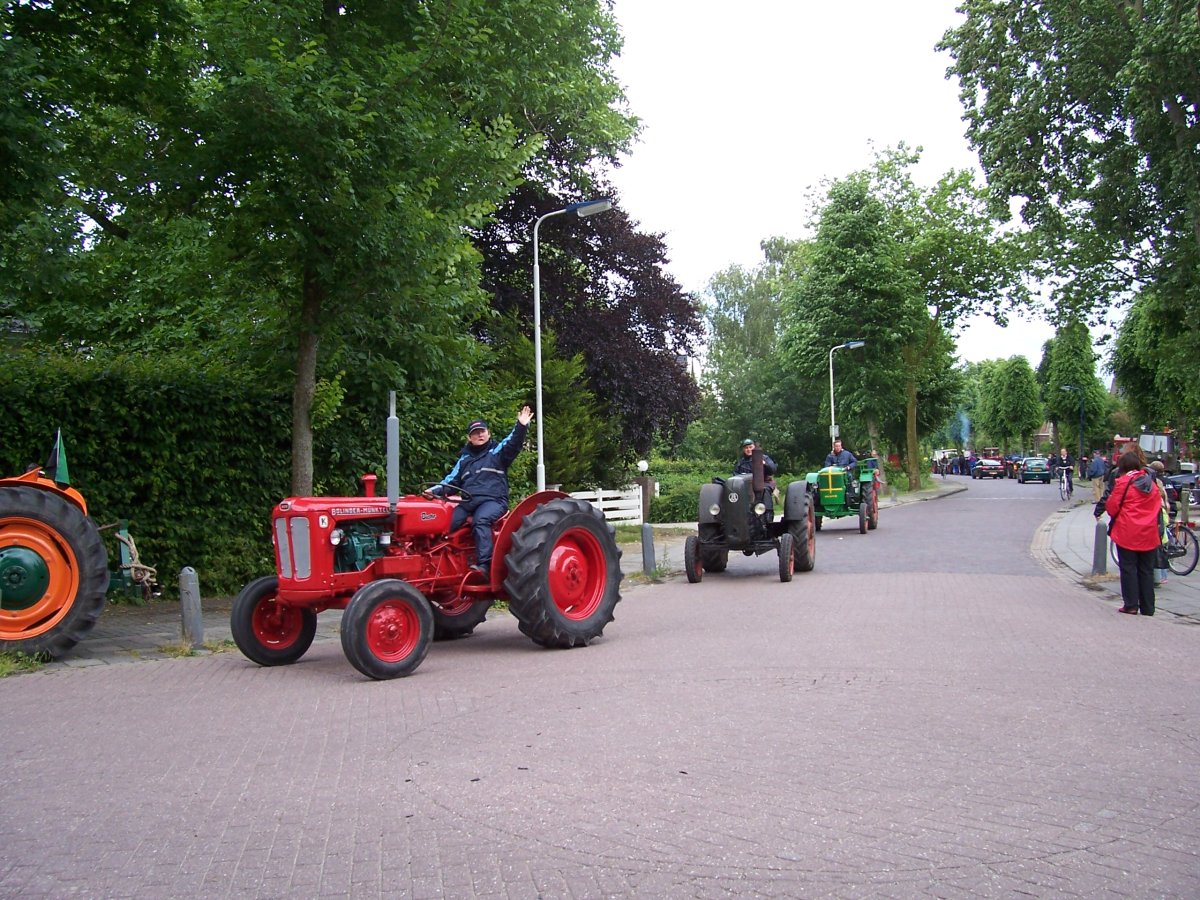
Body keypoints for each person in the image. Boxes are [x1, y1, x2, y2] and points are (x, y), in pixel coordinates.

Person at [430, 405, 533, 575]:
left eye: (482, 431)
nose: (480, 435)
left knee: (481, 520)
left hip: (494, 501)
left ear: (488, 433)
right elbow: (450, 481)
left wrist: (521, 426)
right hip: (468, 503)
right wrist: (432, 491)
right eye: (475, 433)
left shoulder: (496, 452)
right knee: (443, 525)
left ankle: (485, 565)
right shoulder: (464, 460)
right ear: (469, 438)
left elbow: (512, 443)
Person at [1103, 449, 1163, 616]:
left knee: (1128, 568)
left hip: (1127, 532)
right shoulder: (1151, 483)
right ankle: (1148, 607)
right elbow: (1158, 506)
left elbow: (1112, 506)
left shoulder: (1123, 482)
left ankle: (1131, 605)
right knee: (1147, 570)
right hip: (1148, 533)